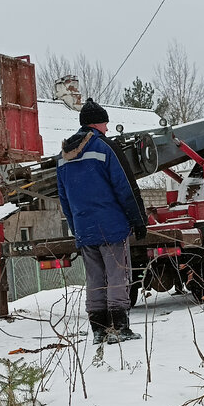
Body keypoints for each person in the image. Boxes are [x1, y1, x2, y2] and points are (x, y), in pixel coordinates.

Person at [56, 99, 149, 343]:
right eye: (105, 124)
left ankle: (98, 329)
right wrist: (138, 220)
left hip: (84, 228)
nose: (107, 128)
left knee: (95, 278)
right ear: (97, 124)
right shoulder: (106, 147)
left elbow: (64, 199)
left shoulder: (63, 156)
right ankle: (119, 328)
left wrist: (76, 228)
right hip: (111, 225)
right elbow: (125, 187)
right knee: (118, 274)